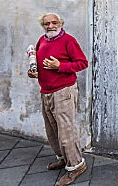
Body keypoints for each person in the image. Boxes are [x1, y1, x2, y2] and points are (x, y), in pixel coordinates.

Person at [27, 12, 88, 186]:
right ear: (43, 26)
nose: (51, 26)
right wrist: (33, 72)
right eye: (47, 24)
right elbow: (37, 63)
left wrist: (60, 66)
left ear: (60, 23)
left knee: (66, 133)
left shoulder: (68, 40)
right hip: (45, 91)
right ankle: (63, 158)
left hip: (64, 91)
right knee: (52, 131)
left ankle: (76, 165)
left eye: (54, 22)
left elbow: (82, 63)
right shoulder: (42, 40)